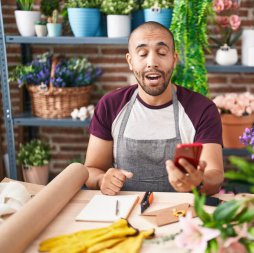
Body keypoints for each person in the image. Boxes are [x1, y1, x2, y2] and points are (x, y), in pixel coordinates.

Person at [84, 21, 224, 196]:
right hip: (123, 214)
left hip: (179, 214)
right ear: (130, 61)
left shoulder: (201, 109)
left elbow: (215, 175)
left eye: (162, 53)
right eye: (142, 54)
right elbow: (92, 169)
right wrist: (101, 180)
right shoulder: (111, 105)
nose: (152, 62)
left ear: (174, 59)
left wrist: (199, 181)